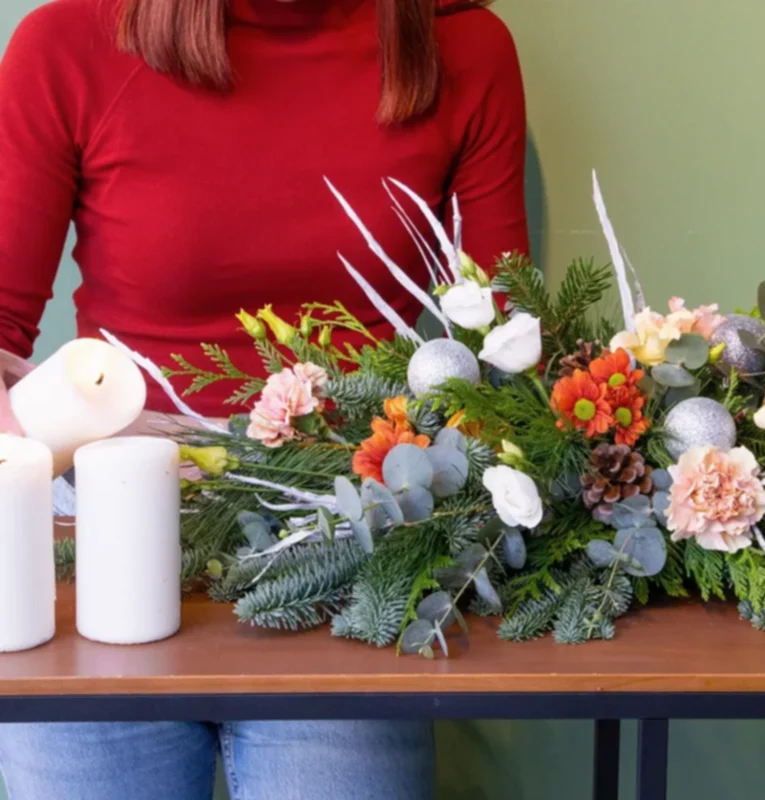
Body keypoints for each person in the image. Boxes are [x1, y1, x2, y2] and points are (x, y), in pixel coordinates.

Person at [0, 0, 528, 797]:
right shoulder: (69, 45)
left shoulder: (461, 46)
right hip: (100, 566)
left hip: (348, 566)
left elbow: (503, 349)